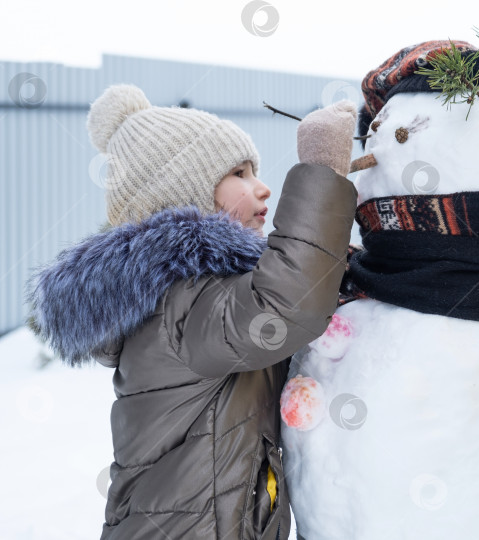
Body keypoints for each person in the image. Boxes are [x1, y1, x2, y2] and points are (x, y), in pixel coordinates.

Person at [25, 83, 358, 540]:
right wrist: (321, 171)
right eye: (239, 173)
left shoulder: (184, 297)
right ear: (184, 195)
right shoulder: (181, 304)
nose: (261, 187)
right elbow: (285, 304)